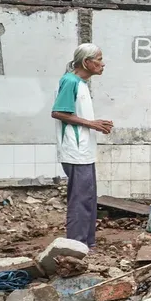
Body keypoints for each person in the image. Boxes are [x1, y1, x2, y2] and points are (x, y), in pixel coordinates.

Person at [50, 44, 113, 247]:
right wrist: (92, 124)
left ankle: (87, 243)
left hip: (84, 151)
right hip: (75, 151)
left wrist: (95, 124)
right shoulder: (70, 81)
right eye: (99, 59)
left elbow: (75, 113)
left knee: (87, 198)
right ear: (86, 62)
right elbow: (58, 112)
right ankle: (76, 245)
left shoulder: (81, 83)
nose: (102, 64)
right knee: (80, 200)